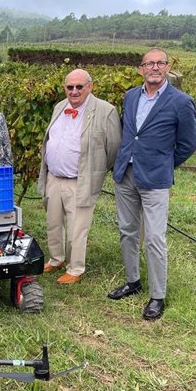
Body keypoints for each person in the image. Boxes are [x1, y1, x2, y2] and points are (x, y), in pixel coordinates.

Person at [108, 48, 196, 320]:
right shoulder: (131, 96)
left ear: (167, 67)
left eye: (160, 63)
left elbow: (188, 144)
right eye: (149, 63)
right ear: (141, 69)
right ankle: (133, 281)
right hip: (126, 174)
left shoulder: (181, 101)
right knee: (127, 231)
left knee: (155, 238)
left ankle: (157, 296)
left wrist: (164, 164)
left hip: (155, 179)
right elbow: (128, 132)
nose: (154, 67)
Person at [37, 69, 122, 284]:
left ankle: (75, 269)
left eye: (79, 87)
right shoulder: (59, 107)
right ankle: (56, 259)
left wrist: (96, 171)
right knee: (53, 223)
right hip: (54, 177)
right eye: (69, 87)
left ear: (90, 87)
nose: (74, 91)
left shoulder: (105, 111)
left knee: (77, 228)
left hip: (80, 181)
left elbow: (113, 147)